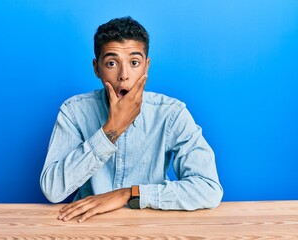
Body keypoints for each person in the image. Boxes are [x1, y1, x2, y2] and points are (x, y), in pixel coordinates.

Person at [40, 16, 223, 223]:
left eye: (134, 62)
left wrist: (129, 193)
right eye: (111, 63)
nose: (123, 75)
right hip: (87, 226)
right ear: (96, 68)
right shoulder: (74, 111)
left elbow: (208, 188)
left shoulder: (171, 114)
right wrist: (111, 130)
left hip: (150, 227)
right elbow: (52, 190)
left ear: (146, 66)